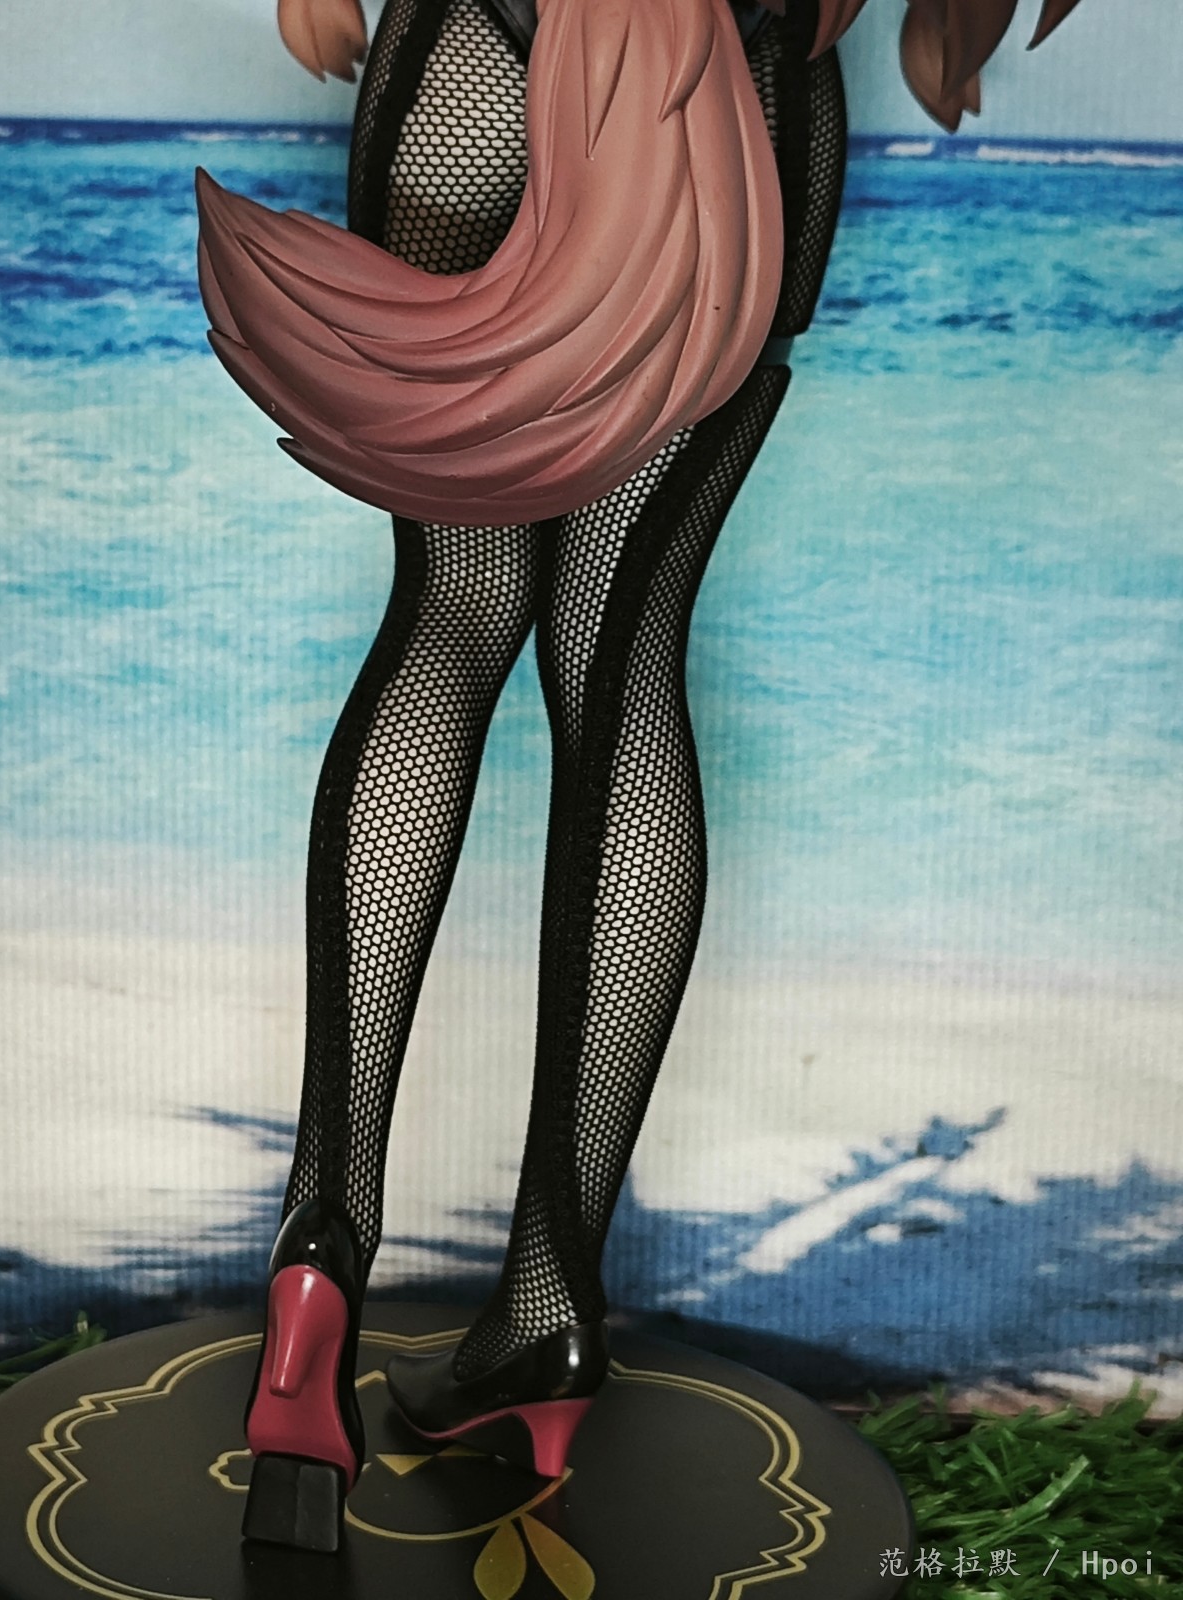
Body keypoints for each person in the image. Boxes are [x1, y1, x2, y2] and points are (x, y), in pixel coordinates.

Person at [195, 0, 1085, 1552]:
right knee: (626, 674)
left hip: (483, 46)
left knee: (446, 620)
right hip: (741, 79)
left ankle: (321, 1247)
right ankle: (548, 1307)